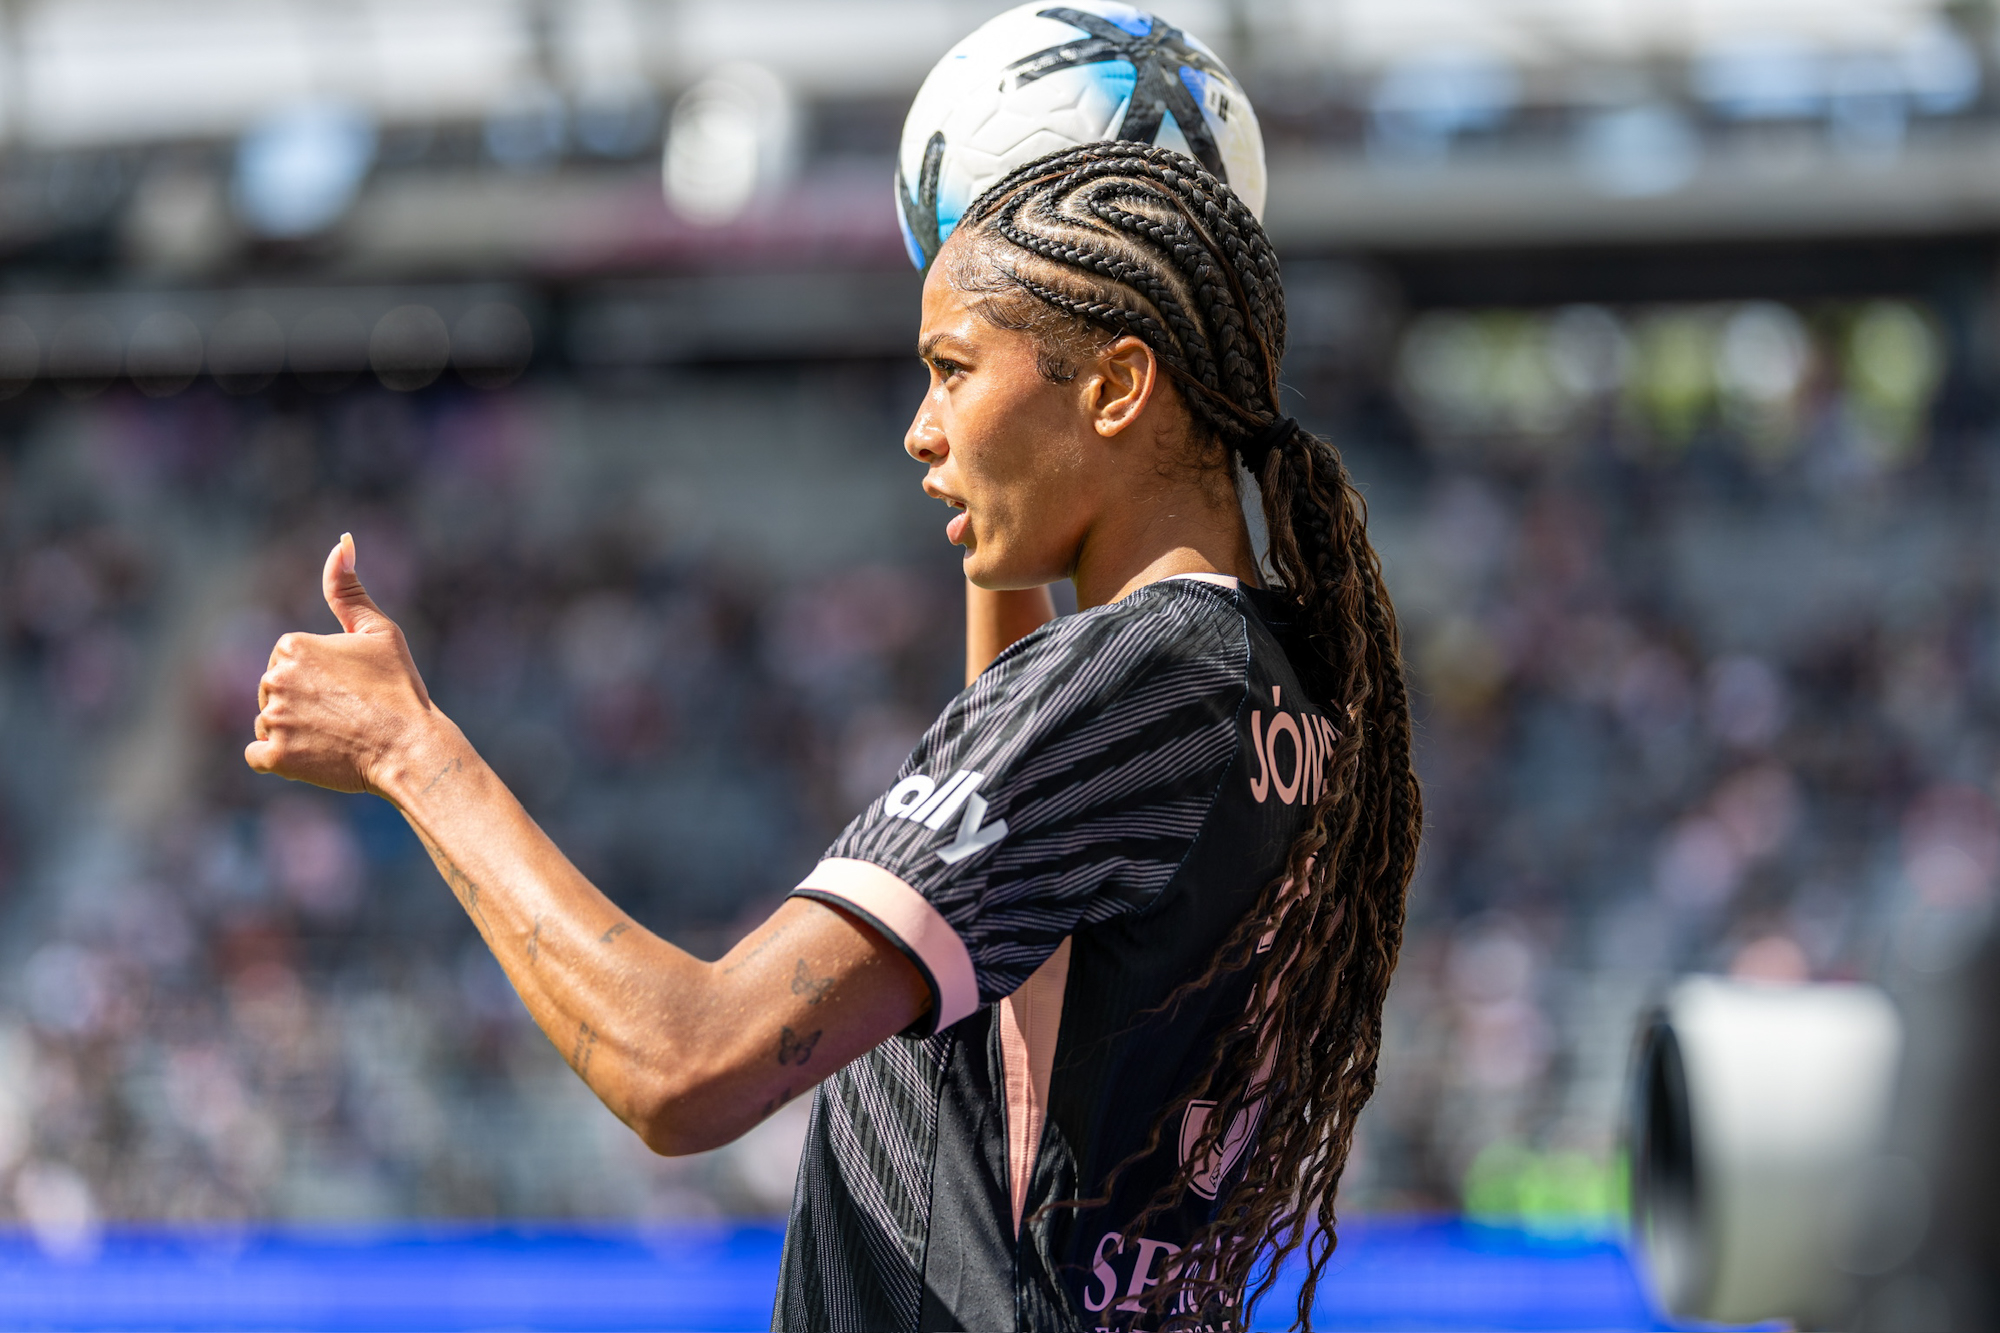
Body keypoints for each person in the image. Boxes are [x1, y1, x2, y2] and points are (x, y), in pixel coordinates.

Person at [246, 142, 1419, 1332]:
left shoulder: (1137, 673)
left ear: (1115, 386)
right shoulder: (1275, 682)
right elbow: (1026, 834)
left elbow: (682, 1064)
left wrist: (410, 750)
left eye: (951, 370)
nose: (919, 430)